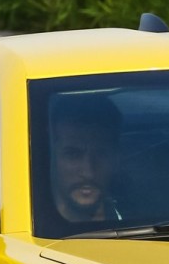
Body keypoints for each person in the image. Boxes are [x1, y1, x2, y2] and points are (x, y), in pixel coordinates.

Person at [48, 94, 122, 224]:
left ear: (116, 159)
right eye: (72, 155)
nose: (88, 172)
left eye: (101, 155)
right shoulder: (19, 232)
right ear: (51, 158)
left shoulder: (143, 221)